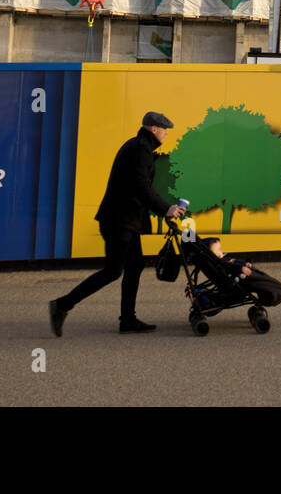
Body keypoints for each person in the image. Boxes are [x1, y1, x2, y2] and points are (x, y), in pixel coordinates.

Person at [49, 112, 186, 335]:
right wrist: (166, 208)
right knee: (113, 271)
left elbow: (141, 190)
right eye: (164, 129)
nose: (167, 133)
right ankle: (62, 305)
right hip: (119, 221)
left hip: (127, 221)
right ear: (154, 129)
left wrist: (164, 210)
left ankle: (128, 320)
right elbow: (141, 188)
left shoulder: (139, 147)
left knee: (135, 265)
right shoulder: (139, 150)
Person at [202, 237, 281, 307]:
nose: (221, 251)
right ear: (211, 254)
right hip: (238, 280)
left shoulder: (223, 259)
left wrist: (245, 263)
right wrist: (241, 268)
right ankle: (274, 295)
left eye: (220, 249)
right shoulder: (221, 262)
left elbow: (234, 262)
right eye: (218, 250)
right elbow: (230, 266)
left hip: (240, 275)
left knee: (263, 280)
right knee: (263, 282)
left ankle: (274, 294)